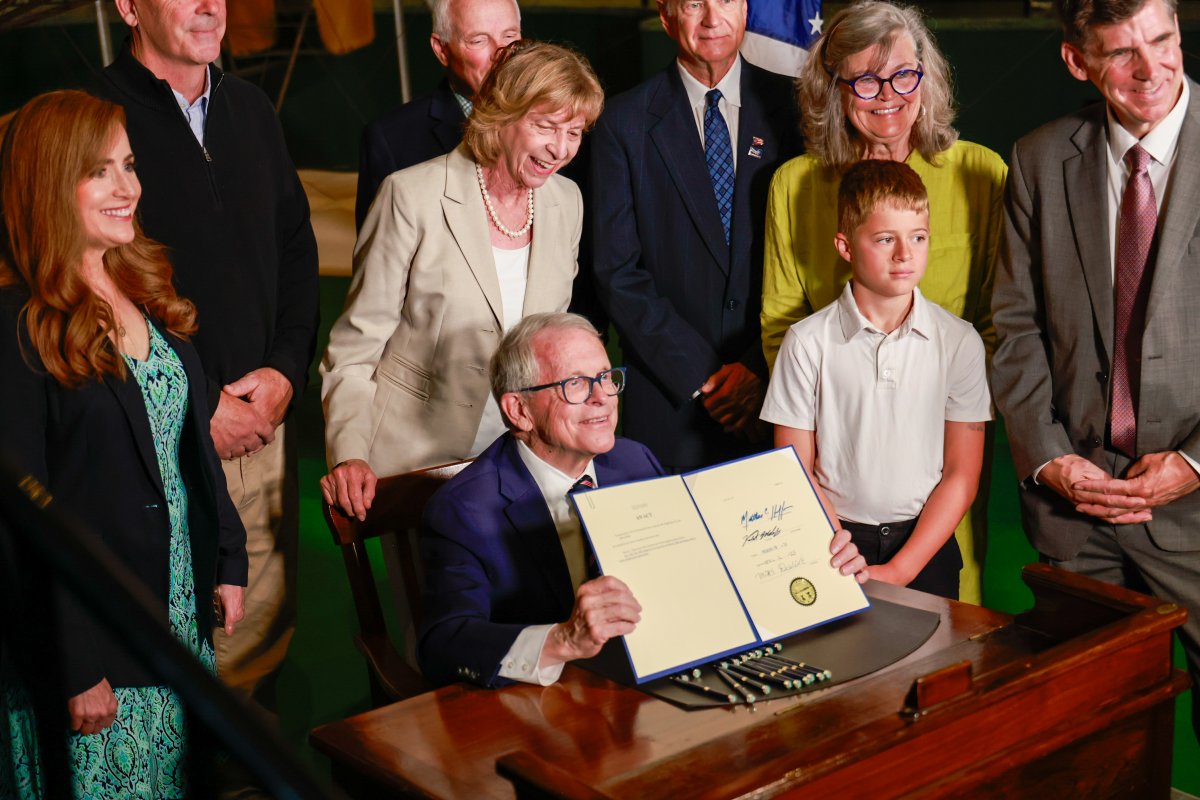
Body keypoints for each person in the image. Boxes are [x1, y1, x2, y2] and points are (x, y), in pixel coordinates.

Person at [90, 0, 319, 771]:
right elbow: (83, 288)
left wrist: (286, 371)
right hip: (156, 445)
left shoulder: (251, 110)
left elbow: (296, 250)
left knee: (257, 652)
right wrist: (197, 401)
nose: (209, 4)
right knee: (165, 666)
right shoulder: (90, 122)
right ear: (129, 6)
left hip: (263, 429)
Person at [0, 90, 246, 797]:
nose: (127, 187)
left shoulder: (141, 287)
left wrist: (227, 557)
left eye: (129, 165)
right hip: (93, 653)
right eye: (98, 171)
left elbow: (185, 447)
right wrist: (71, 664)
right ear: (49, 184)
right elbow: (16, 526)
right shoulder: (18, 325)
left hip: (177, 627)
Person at [418, 312, 869, 687]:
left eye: (605, 378)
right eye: (575, 384)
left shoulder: (634, 460)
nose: (602, 398)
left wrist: (811, 556)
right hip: (546, 707)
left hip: (656, 686)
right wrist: (563, 640)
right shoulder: (462, 510)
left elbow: (706, 563)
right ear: (519, 410)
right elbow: (443, 644)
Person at [992, 0, 1200, 739]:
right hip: (1078, 519)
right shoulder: (1039, 158)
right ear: (1077, 61)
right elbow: (1015, 329)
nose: (1151, 69)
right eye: (1120, 53)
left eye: (1162, 39)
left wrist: (1194, 463)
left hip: (1199, 513)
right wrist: (1050, 460)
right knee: (1088, 745)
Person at [760, 0, 1007, 603]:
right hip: (834, 473)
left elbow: (1000, 319)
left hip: (938, 463)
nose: (888, 95)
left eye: (903, 75)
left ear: (927, 76)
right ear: (833, 89)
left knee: (946, 626)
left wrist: (931, 407)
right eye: (866, 80)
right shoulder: (794, 183)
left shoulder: (981, 172)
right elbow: (779, 323)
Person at [321, 41, 603, 521]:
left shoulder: (566, 201)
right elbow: (353, 350)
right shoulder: (410, 195)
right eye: (545, 126)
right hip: (416, 463)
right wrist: (350, 453)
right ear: (502, 114)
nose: (560, 149)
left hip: (521, 464)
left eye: (573, 132)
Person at [762, 160, 991, 599]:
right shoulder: (806, 342)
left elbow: (961, 473)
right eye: (886, 239)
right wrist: (839, 549)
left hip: (926, 548)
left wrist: (902, 569)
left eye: (918, 237)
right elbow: (794, 467)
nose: (905, 254)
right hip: (832, 543)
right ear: (845, 246)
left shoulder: (959, 342)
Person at [590, 0, 801, 473]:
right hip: (671, 402)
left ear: (745, 10)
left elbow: (813, 259)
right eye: (693, 4)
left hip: (778, 392)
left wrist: (757, 367)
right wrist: (704, 376)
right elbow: (617, 272)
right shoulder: (622, 123)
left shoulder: (798, 109)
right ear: (666, 17)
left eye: (725, 0)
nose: (711, 18)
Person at [355, 0, 522, 230]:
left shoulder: (562, 125)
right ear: (441, 50)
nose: (501, 53)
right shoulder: (392, 140)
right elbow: (381, 248)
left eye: (510, 36)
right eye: (478, 40)